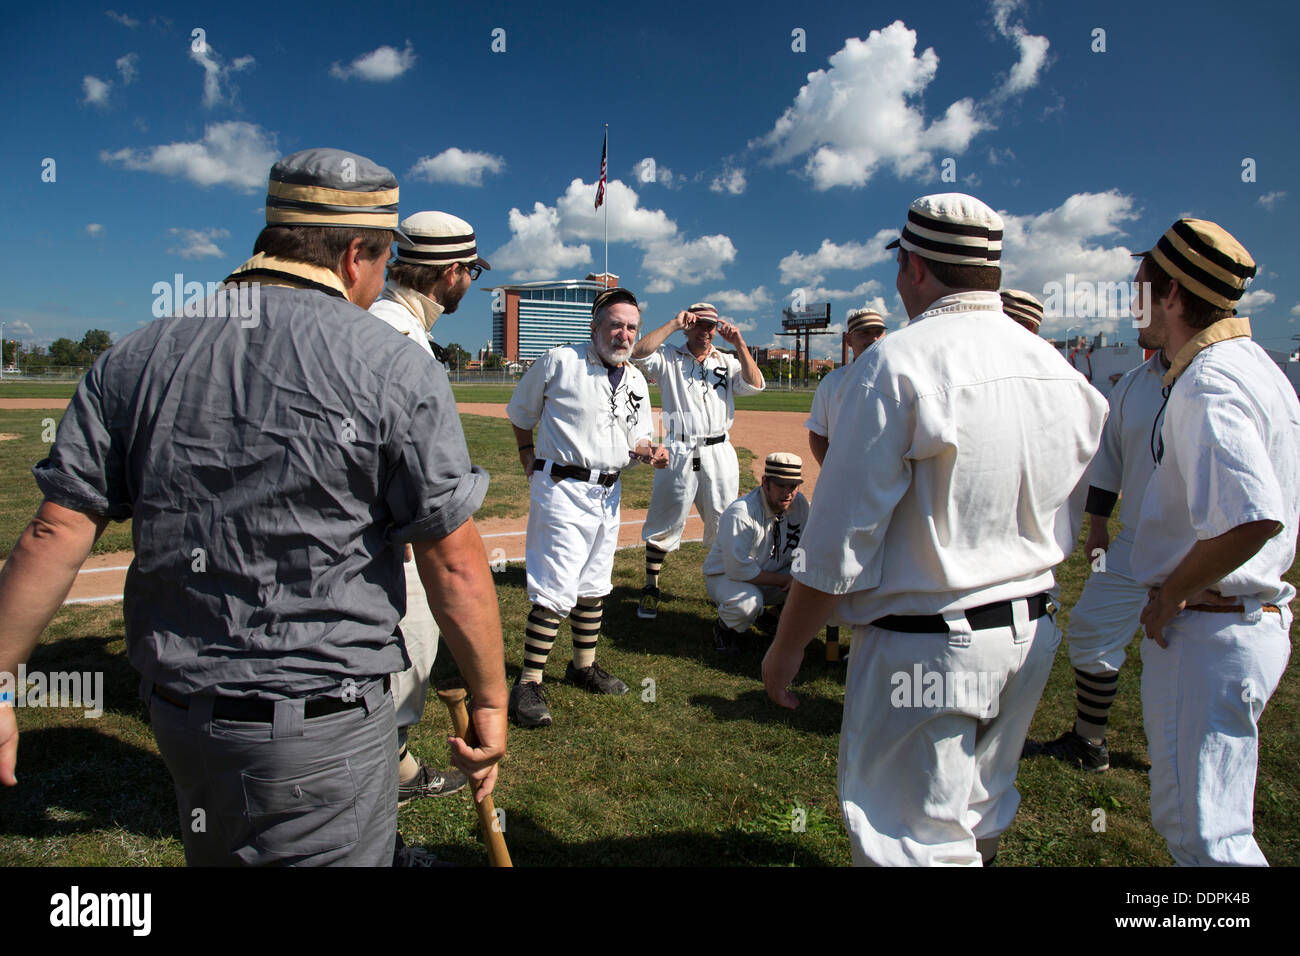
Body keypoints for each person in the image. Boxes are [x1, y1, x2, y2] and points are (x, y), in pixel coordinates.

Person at [0, 148, 508, 866]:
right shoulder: (394, 363)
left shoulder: (136, 354)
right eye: (381, 257)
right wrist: (489, 700)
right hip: (322, 723)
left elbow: (55, 529)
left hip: (180, 714)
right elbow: (453, 562)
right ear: (357, 252)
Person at [761, 192, 1107, 866]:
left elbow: (837, 547)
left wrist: (788, 645)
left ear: (914, 267)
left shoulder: (897, 364)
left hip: (929, 643)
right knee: (983, 810)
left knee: (910, 842)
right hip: (1031, 630)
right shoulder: (1060, 370)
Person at [1128, 218, 1298, 866]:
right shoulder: (1253, 367)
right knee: (1199, 827)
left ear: (1171, 295)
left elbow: (1252, 516)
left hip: (1210, 630)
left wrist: (1171, 594)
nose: (1131, 303)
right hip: (1239, 621)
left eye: (1139, 288)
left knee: (1207, 838)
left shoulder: (1210, 380)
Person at [369, 210, 491, 803]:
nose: (472, 280)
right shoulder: (397, 340)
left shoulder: (384, 321)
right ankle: (375, 784)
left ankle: (394, 765)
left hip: (379, 529)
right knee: (406, 651)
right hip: (393, 538)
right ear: (450, 273)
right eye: (470, 270)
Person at [505, 287, 668, 728]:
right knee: (556, 584)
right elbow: (521, 413)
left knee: (595, 584)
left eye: (632, 327)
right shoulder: (561, 361)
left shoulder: (635, 378)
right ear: (595, 327)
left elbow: (636, 439)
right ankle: (527, 683)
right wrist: (526, 455)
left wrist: (649, 451)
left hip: (608, 494)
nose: (624, 334)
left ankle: (581, 666)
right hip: (562, 487)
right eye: (616, 324)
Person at [1022, 348, 1169, 771]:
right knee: (1090, 629)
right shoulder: (1136, 383)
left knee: (1185, 650)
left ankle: (1184, 751)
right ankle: (1090, 741)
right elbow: (1110, 463)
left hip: (1205, 545)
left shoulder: (1227, 376)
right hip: (1137, 537)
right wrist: (1100, 526)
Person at [630, 302, 764, 619]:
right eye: (700, 324)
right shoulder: (669, 357)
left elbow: (755, 384)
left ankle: (727, 587)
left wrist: (740, 344)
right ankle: (651, 586)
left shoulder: (727, 361)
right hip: (679, 448)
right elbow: (637, 352)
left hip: (718, 450)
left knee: (724, 521)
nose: (706, 331)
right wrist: (674, 323)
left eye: (711, 326)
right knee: (665, 515)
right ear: (690, 325)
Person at [703, 453, 810, 654]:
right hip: (727, 577)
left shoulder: (800, 505)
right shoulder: (741, 513)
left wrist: (800, 577)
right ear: (765, 483)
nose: (787, 493)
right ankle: (725, 628)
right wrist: (786, 581)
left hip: (772, 574)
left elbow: (806, 547)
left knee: (814, 583)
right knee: (747, 604)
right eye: (781, 485)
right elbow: (738, 570)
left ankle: (771, 618)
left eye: (793, 486)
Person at [806, 308, 886, 466]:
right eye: (864, 333)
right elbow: (817, 434)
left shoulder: (900, 375)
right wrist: (832, 472)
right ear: (849, 340)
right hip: (847, 473)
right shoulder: (833, 381)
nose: (874, 339)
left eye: (879, 332)